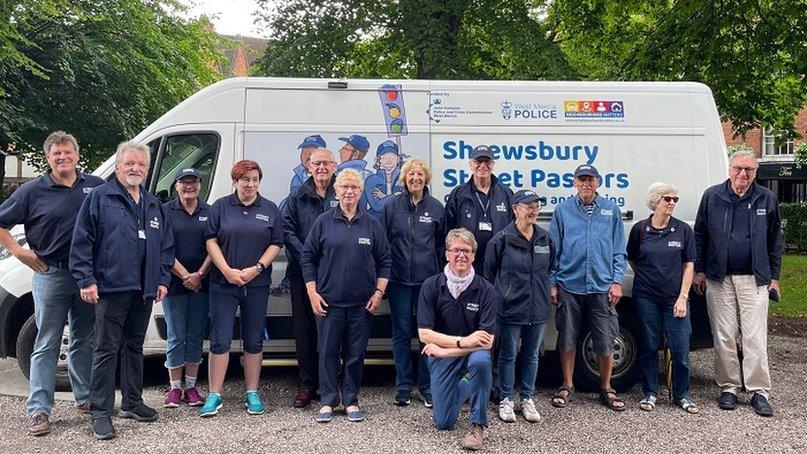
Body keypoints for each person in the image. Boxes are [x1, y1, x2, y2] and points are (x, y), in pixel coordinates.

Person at [0, 131, 103, 436]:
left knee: (84, 339)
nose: (63, 157)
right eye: (56, 153)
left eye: (67, 152)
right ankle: (39, 410)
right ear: (48, 158)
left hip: (87, 276)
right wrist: (19, 252)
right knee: (46, 342)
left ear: (76, 155)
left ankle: (84, 399)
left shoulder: (95, 186)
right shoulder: (32, 191)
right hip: (51, 275)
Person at [70, 141, 174, 440]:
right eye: (130, 163)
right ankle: (101, 412)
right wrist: (86, 279)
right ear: (118, 166)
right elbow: (82, 240)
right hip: (111, 287)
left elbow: (165, 246)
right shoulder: (101, 198)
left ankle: (132, 402)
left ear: (147, 168)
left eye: (141, 164)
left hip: (144, 289)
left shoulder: (152, 203)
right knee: (105, 349)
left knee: (133, 347)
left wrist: (162, 279)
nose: (135, 168)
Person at [693, 149, 782, 417]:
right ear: (729, 169)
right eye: (738, 168)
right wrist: (699, 270)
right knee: (724, 336)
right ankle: (729, 388)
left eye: (749, 170)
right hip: (719, 278)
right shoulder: (713, 196)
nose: (743, 174)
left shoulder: (767, 198)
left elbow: (775, 240)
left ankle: (758, 391)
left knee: (755, 337)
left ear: (756, 172)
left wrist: (774, 277)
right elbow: (700, 234)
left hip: (755, 279)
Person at [301, 168, 391, 423]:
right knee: (327, 352)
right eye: (344, 187)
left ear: (361, 192)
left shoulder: (372, 224)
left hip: (362, 304)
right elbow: (308, 258)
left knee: (355, 354)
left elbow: (385, 260)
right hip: (328, 302)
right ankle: (328, 400)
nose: (349, 192)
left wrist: (378, 292)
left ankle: (351, 399)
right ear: (336, 190)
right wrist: (312, 293)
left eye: (354, 187)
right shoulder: (324, 222)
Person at [199, 160, 284, 417]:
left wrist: (256, 269)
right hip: (223, 283)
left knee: (254, 338)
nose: (250, 184)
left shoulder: (270, 209)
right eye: (245, 179)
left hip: (256, 283)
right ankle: (214, 395)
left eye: (255, 179)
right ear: (235, 181)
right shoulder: (220, 207)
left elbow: (276, 243)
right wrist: (226, 270)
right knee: (220, 338)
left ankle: (252, 392)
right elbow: (210, 241)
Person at [548, 164, 627, 411]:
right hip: (569, 284)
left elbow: (618, 250)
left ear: (598, 182)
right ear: (574, 182)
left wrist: (616, 281)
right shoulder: (562, 210)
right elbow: (554, 250)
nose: (586, 184)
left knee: (605, 339)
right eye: (581, 179)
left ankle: (606, 387)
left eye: (590, 180)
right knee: (567, 337)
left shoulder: (611, 210)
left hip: (601, 286)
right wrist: (552, 283)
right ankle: (567, 384)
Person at [418, 228, 496, 451]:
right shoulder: (431, 285)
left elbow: (487, 342)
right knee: (443, 423)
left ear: (473, 256)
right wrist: (464, 342)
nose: (461, 255)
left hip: (458, 352)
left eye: (467, 251)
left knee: (481, 361)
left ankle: (478, 426)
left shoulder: (486, 290)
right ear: (447, 254)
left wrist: (445, 350)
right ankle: (465, 387)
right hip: (452, 352)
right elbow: (425, 335)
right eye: (456, 250)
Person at [627, 183, 698, 414]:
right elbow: (633, 258)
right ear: (655, 201)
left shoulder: (682, 230)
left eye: (675, 199)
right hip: (645, 297)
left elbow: (689, 266)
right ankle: (650, 392)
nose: (672, 203)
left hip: (674, 299)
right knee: (648, 345)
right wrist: (648, 277)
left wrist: (682, 297)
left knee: (680, 346)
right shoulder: (640, 229)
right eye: (668, 199)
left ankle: (682, 394)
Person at [484, 189, 554, 424]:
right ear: (515, 209)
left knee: (532, 355)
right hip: (511, 307)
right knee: (508, 354)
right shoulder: (501, 239)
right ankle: (506, 398)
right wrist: (501, 297)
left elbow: (550, 269)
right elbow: (489, 273)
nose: (533, 210)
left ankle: (527, 398)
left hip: (538, 308)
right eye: (527, 205)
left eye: (536, 205)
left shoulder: (545, 239)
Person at [380, 158, 444, 407]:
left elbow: (441, 246)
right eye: (411, 175)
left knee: (428, 337)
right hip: (398, 282)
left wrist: (438, 277)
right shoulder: (391, 207)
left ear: (426, 178)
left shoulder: (436, 207)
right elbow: (382, 243)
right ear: (404, 179)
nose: (415, 179)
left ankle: (426, 387)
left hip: (427, 284)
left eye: (419, 175)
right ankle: (404, 386)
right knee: (401, 334)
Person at [283, 148, 338, 408]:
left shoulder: (344, 193)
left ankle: (330, 383)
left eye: (326, 163)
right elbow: (287, 230)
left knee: (330, 331)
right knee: (304, 330)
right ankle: (307, 384)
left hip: (335, 274)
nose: (321, 168)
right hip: (303, 275)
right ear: (309, 167)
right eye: (316, 164)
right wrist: (308, 254)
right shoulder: (297, 196)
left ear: (335, 166)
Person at [161, 168, 212, 408]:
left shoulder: (209, 212)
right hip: (176, 284)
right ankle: (174, 389)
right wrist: (185, 276)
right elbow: (164, 249)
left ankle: (191, 386)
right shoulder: (165, 212)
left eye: (193, 182)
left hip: (202, 283)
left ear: (200, 186)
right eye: (184, 182)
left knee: (195, 336)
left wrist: (199, 274)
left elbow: (214, 247)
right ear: (176, 186)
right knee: (175, 335)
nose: (189, 186)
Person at [444, 144, 513, 275]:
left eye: (486, 162)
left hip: (499, 265)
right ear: (471, 164)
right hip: (466, 263)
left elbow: (514, 229)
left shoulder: (506, 193)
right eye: (478, 162)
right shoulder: (459, 194)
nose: (482, 166)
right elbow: (447, 230)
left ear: (492, 165)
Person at [365, 140, 404, 217]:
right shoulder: (371, 181)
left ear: (398, 159)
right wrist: (396, 196)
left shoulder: (404, 180)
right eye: (385, 158)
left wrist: (385, 197)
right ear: (378, 160)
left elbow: (406, 206)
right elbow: (377, 206)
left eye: (393, 158)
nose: (389, 161)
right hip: (376, 223)